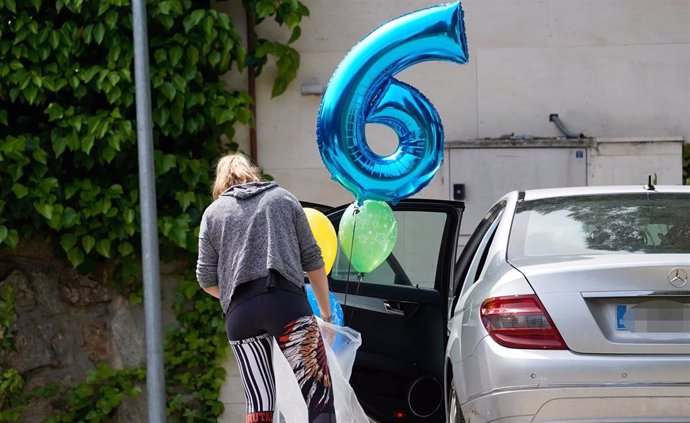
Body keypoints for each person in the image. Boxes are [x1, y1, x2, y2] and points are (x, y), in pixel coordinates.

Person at [196, 153, 337, 423]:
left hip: (240, 314)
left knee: (259, 405)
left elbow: (205, 278)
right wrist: (326, 316)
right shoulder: (282, 199)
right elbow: (314, 261)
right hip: (286, 304)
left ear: (220, 183)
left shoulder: (212, 214)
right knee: (319, 395)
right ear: (253, 173)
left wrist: (233, 297)